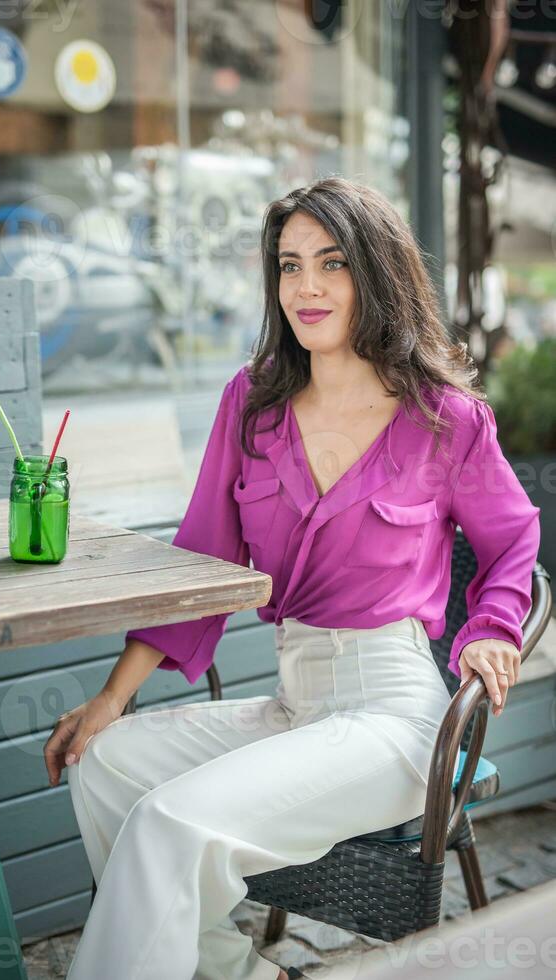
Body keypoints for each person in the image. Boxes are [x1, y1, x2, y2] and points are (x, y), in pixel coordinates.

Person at [43, 176, 541, 980]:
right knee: (106, 765)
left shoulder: (444, 419)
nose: (306, 287)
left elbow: (513, 542)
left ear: (375, 275)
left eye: (332, 263)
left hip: (395, 717)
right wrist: (112, 696)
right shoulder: (252, 405)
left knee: (174, 824)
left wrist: (491, 632)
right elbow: (201, 557)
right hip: (296, 701)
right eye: (289, 265)